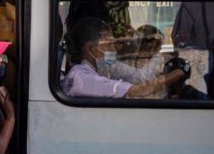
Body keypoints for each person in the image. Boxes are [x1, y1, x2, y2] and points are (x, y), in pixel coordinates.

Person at [61, 18, 189, 98]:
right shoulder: (81, 78)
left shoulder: (99, 67)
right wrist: (178, 73)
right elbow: (139, 90)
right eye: (109, 44)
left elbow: (137, 77)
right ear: (90, 49)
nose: (114, 50)